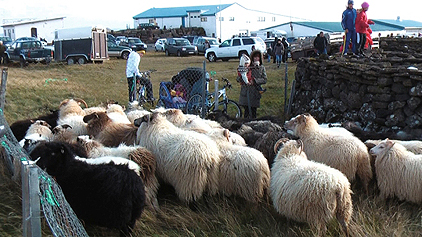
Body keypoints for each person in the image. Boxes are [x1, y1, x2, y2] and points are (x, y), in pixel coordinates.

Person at [236, 51, 267, 119]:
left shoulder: (261, 68)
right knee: (246, 111)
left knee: (253, 111)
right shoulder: (246, 66)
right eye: (255, 57)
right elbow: (238, 78)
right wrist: (242, 77)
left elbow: (264, 79)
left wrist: (255, 81)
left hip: (255, 93)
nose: (256, 59)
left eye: (258, 57)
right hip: (246, 91)